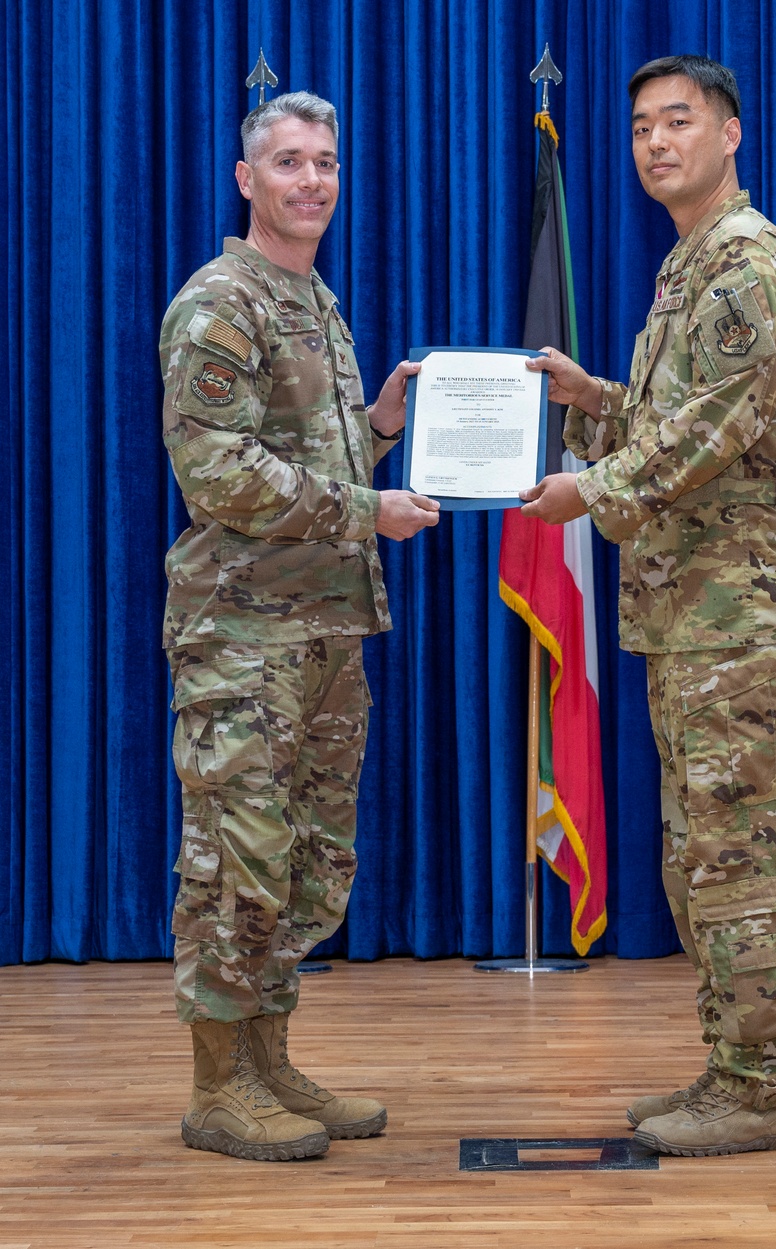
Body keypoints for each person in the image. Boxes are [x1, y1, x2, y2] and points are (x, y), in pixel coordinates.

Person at [522, 55, 776, 1156]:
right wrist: (591, 398)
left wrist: (584, 489)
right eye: (643, 125)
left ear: (732, 133)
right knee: (701, 853)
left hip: (734, 621)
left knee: (738, 855)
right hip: (692, 614)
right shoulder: (688, 267)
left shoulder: (747, 267)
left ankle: (760, 1089)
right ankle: (733, 1069)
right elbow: (675, 420)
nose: (657, 143)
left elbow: (706, 438)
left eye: (679, 122)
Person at [159, 91, 440, 1162]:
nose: (311, 180)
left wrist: (375, 433)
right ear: (246, 180)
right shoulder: (221, 302)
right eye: (288, 162)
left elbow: (303, 469)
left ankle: (270, 1060)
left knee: (309, 861)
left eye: (325, 161)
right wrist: (370, 505)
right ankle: (217, 1086)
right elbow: (218, 472)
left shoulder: (311, 298)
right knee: (238, 857)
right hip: (242, 637)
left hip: (323, 633)